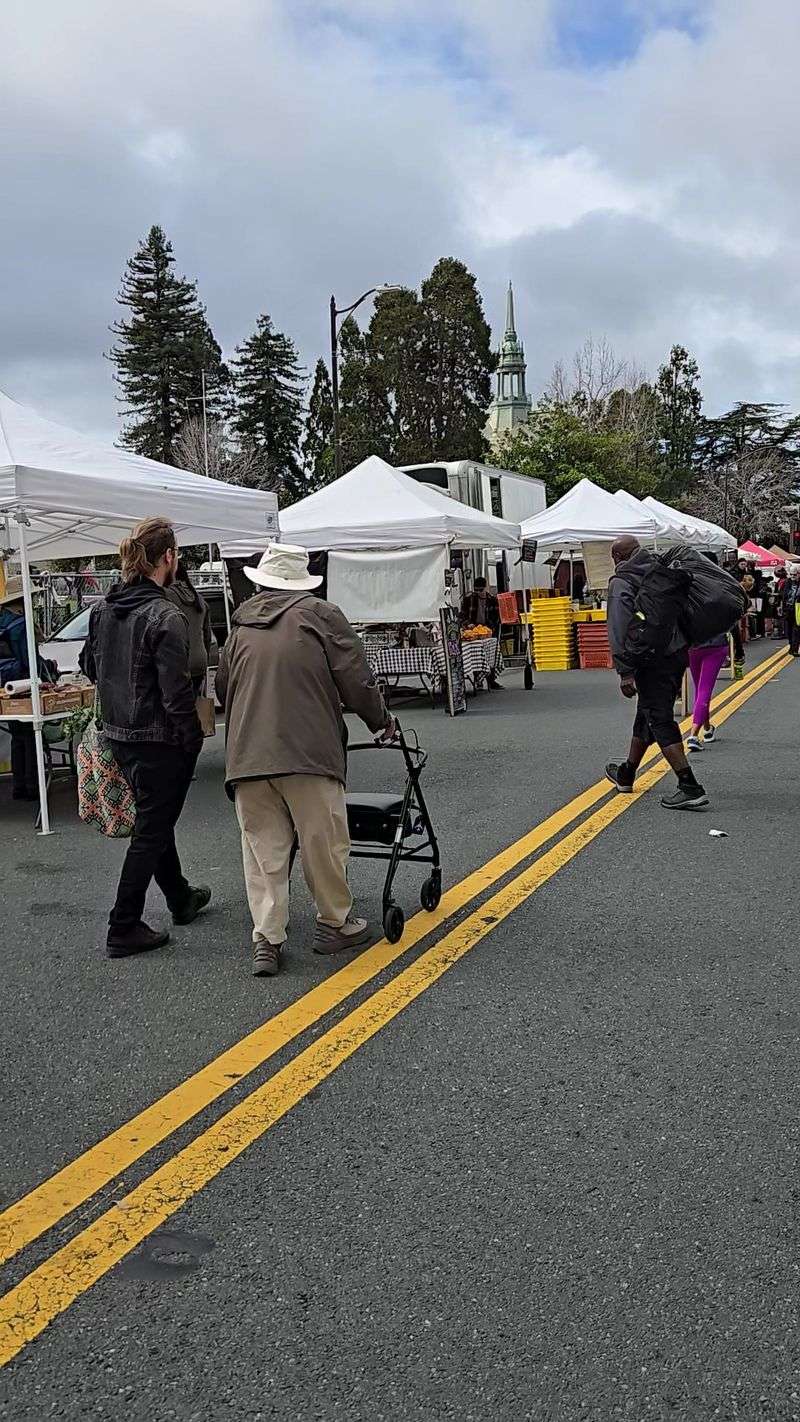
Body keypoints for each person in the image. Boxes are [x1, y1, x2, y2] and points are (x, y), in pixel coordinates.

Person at [216, 543, 396, 978]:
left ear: (263, 581)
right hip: (308, 752)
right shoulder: (321, 615)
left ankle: (267, 937)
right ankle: (335, 923)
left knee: (263, 850)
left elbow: (224, 689)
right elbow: (355, 677)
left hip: (248, 756)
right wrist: (381, 722)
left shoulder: (240, 626)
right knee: (323, 842)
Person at [80, 517, 210, 958]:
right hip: (158, 740)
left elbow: (89, 667)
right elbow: (176, 695)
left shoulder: (102, 609)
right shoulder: (164, 614)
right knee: (152, 830)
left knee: (155, 822)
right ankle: (124, 924)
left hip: (118, 733)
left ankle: (179, 897)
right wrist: (192, 740)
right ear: (169, 558)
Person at [605, 536, 708, 811]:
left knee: (659, 717)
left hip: (649, 660)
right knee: (648, 712)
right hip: (676, 654)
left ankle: (689, 785)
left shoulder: (621, 583)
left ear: (617, 556)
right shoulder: (660, 571)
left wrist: (625, 671)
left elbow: (617, 629)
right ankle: (626, 773)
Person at [0, 575, 56, 800]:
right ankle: (34, 787)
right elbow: (29, 660)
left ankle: (18, 786)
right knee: (31, 735)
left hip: (5, 686)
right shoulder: (22, 624)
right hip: (23, 684)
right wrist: (49, 668)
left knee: (17, 735)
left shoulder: (3, 620)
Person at [163, 559, 216, 694]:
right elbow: (207, 636)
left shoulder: (165, 596)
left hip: (178, 663)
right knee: (194, 705)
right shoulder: (199, 599)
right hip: (199, 661)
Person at [686, 632, 729, 751]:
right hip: (716, 645)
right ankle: (693, 735)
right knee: (704, 690)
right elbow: (732, 622)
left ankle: (707, 729)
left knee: (699, 690)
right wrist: (739, 652)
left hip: (693, 646)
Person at [461, 576, 502, 689]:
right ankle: (477, 680)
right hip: (473, 630)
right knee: (476, 655)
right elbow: (462, 615)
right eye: (476, 590)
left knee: (491, 655)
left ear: (485, 588)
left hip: (488, 630)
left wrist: (491, 628)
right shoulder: (469, 599)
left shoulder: (492, 599)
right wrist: (467, 623)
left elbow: (497, 617)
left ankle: (491, 680)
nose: (478, 593)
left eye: (481, 590)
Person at [785, 564, 800, 656]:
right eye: (791, 574)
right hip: (789, 608)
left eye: (795, 574)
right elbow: (784, 595)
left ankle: (794, 648)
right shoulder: (788, 582)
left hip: (798, 608)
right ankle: (791, 646)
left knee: (797, 628)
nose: (793, 576)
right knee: (790, 628)